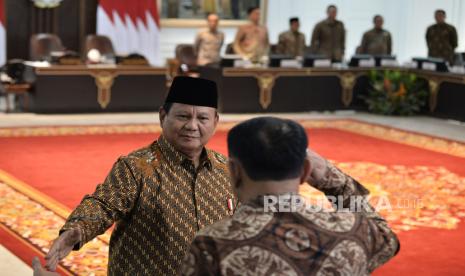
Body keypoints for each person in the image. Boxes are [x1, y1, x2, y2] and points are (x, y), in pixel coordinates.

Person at [32, 79, 363, 275]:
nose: (192, 126)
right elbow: (102, 205)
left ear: (216, 120)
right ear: (163, 116)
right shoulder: (137, 167)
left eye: (202, 117)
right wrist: (74, 232)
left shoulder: (227, 168)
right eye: (183, 116)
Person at [181, 117, 400, 275]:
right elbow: (388, 240)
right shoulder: (354, 230)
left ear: (235, 171)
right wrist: (336, 183)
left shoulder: (213, 245)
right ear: (305, 171)